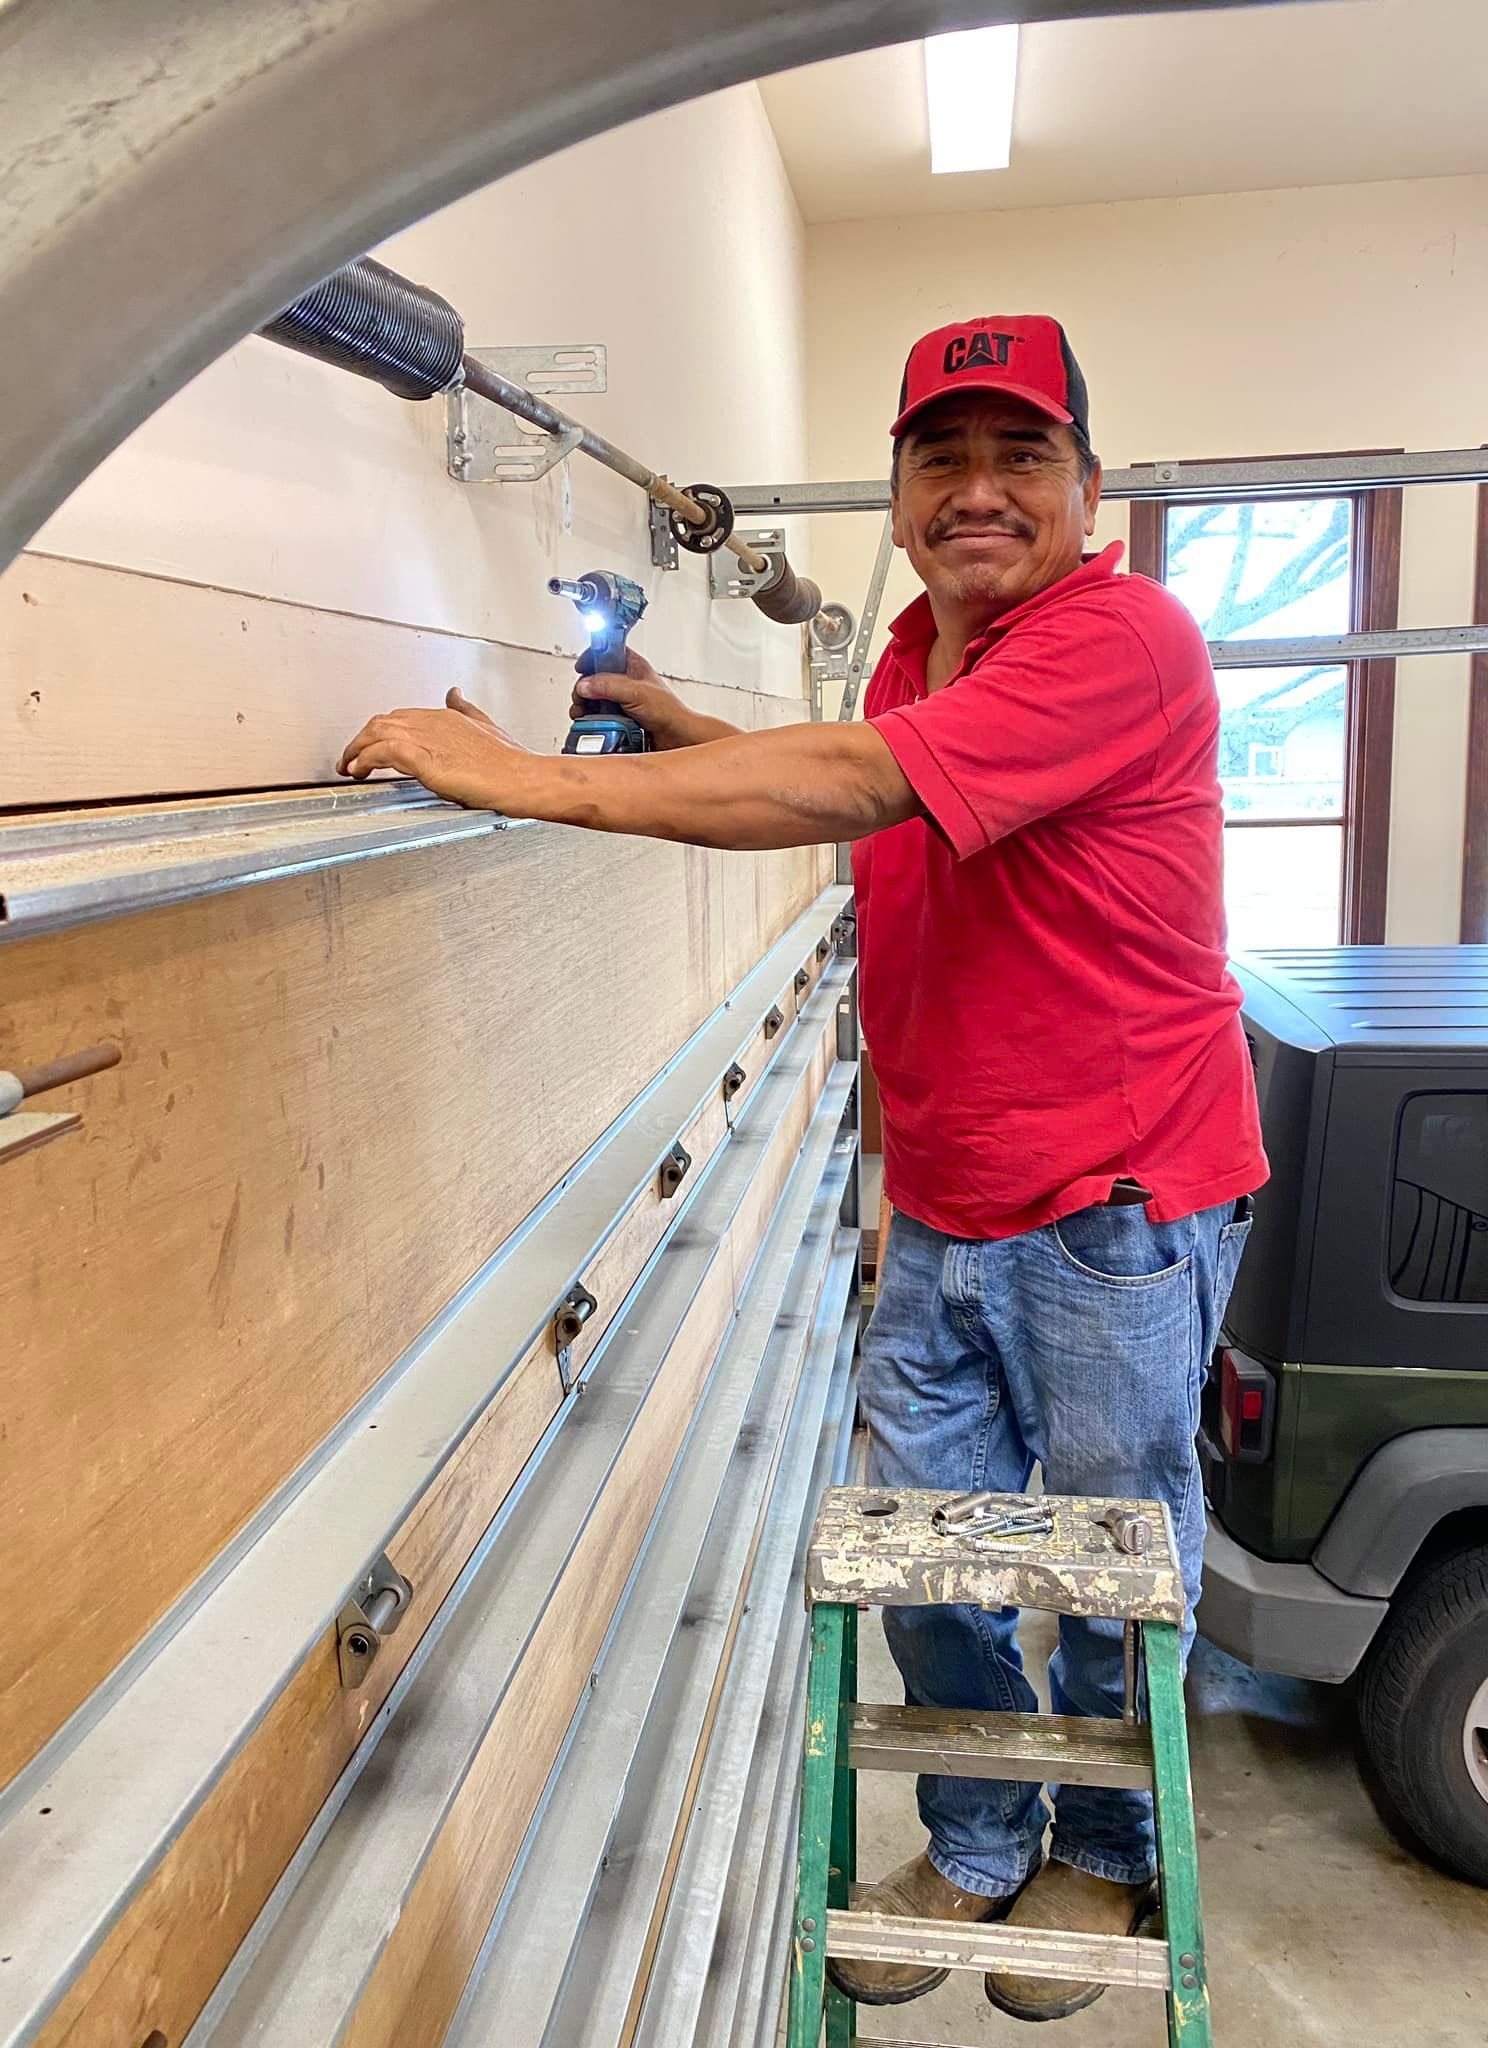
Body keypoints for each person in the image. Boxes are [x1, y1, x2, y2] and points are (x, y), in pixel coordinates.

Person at [338, 314, 1266, 2023]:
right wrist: (665, 720)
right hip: (950, 1190)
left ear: (1088, 485)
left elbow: (853, 779)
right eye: (940, 461)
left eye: (1020, 459)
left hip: (1116, 1203)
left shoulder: (1119, 640)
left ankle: (1113, 1861)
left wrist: (521, 780)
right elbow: (872, 795)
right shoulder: (923, 649)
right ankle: (982, 1845)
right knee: (927, 1556)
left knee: (1112, 1551)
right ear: (902, 495)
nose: (978, 493)